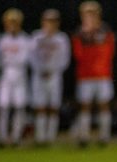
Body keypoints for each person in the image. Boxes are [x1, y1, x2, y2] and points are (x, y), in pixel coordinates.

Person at [71, 0, 115, 147]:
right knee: (85, 105)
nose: (89, 16)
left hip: (103, 75)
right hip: (85, 75)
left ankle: (104, 137)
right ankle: (83, 137)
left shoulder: (105, 30)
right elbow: (78, 54)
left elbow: (110, 52)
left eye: (92, 13)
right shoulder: (79, 33)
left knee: (104, 104)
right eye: (86, 13)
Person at [29, 9, 70, 145]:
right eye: (48, 21)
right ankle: (40, 136)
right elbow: (31, 57)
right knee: (40, 106)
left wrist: (52, 70)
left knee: (53, 106)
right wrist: (41, 70)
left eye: (53, 21)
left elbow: (65, 59)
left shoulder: (62, 38)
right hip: (39, 76)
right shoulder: (36, 37)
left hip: (55, 76)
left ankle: (50, 137)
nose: (50, 24)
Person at [0, 8, 30, 147]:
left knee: (19, 106)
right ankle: (1, 138)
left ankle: (16, 137)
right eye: (9, 22)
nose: (12, 25)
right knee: (3, 106)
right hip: (5, 76)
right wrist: (7, 63)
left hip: (20, 75)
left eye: (15, 22)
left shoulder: (25, 39)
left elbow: (25, 58)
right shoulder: (2, 40)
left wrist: (10, 60)